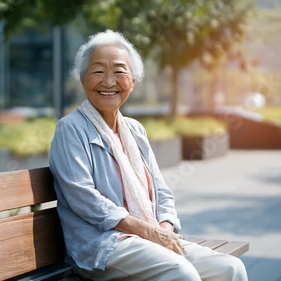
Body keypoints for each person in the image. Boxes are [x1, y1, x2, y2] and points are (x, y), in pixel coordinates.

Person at [48, 30, 248, 281]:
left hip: (147, 236)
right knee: (181, 273)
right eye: (98, 71)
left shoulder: (135, 130)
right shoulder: (70, 129)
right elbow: (83, 197)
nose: (109, 81)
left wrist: (163, 229)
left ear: (133, 81)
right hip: (103, 245)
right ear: (83, 79)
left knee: (231, 268)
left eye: (120, 71)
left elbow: (162, 191)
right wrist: (149, 232)